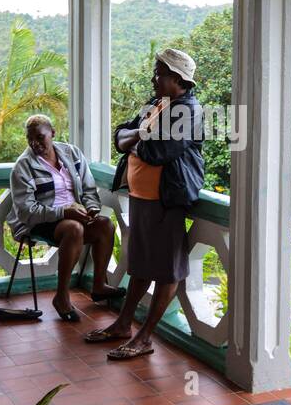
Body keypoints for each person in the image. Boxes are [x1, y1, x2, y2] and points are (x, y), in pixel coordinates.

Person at [85, 49, 204, 360]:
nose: (154, 78)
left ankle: (144, 336)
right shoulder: (155, 105)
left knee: (166, 271)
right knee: (139, 264)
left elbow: (159, 152)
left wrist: (135, 140)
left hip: (167, 199)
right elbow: (120, 136)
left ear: (178, 79)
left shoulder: (188, 111)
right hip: (141, 197)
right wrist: (138, 135)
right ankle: (123, 325)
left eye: (160, 73)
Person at [7, 114, 126, 321]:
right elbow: (26, 211)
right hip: (40, 221)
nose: (35, 143)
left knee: (105, 225)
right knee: (74, 228)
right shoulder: (23, 166)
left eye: (40, 137)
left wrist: (91, 209)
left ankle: (98, 286)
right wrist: (64, 212)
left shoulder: (71, 153)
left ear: (52, 133)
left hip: (73, 214)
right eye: (30, 139)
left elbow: (89, 189)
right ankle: (61, 297)